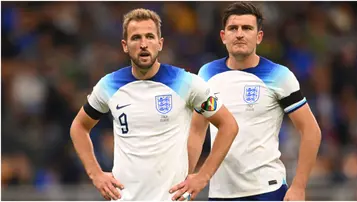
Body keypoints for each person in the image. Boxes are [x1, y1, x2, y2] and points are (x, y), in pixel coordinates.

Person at [69, 8, 238, 201]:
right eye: (136, 38)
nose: (143, 44)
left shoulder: (186, 83)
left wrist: (203, 176)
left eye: (150, 37)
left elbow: (228, 125)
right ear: (125, 45)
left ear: (160, 43)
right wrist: (96, 174)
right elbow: (79, 126)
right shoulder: (108, 85)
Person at [181, 2, 321, 201]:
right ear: (223, 36)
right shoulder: (206, 74)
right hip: (220, 193)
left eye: (247, 28)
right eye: (233, 28)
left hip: (266, 190)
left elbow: (311, 130)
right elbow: (197, 130)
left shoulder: (280, 76)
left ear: (259, 36)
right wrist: (185, 178)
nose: (239, 34)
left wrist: (299, 186)